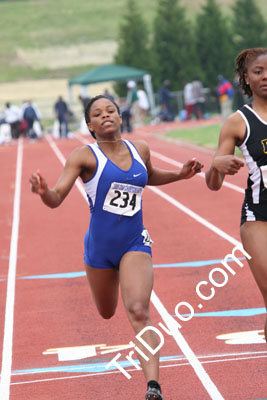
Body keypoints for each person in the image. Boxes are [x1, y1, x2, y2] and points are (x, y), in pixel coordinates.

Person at [30, 95, 203, 399]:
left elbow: (148, 176)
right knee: (107, 312)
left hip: (134, 242)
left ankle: (153, 386)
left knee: (138, 310)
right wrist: (44, 192)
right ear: (90, 125)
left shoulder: (140, 149)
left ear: (121, 117)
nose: (105, 116)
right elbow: (57, 197)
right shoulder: (84, 156)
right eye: (97, 114)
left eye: (111, 110)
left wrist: (179, 174)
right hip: (99, 249)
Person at [205, 48, 267, 343]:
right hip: (259, 218)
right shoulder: (238, 122)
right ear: (246, 78)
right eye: (258, 72)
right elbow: (213, 184)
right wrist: (217, 165)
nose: (265, 76)